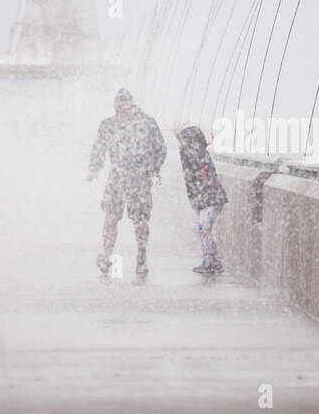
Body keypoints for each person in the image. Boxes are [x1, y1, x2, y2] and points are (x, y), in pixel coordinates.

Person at [87, 88, 166, 278]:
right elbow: (99, 148)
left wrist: (149, 169)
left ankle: (139, 255)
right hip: (124, 178)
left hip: (131, 178)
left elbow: (160, 149)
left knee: (133, 220)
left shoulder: (144, 123)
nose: (126, 112)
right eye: (122, 109)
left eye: (128, 108)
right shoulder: (133, 124)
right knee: (114, 218)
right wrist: (94, 168)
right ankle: (111, 255)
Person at [175, 123, 228, 274]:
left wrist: (182, 144)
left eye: (185, 139)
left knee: (204, 227)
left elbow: (190, 161)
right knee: (205, 228)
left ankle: (209, 261)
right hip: (210, 198)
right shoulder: (200, 152)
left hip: (210, 199)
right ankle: (214, 261)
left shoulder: (194, 153)